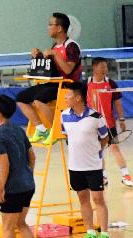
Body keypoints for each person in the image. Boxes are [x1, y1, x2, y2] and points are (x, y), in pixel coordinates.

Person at [0, 95, 46, 238]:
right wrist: (27, 175)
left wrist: (1, 188)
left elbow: (4, 164)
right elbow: (32, 157)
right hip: (28, 186)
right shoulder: (19, 130)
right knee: (21, 223)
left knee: (7, 227)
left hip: (12, 189)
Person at [16, 12, 82, 145]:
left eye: (50, 24)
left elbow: (68, 70)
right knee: (21, 98)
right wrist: (38, 56)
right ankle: (41, 129)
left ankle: (56, 130)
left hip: (68, 86)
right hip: (53, 83)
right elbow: (49, 69)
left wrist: (55, 54)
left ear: (59, 28)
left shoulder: (71, 46)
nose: (48, 27)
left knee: (39, 99)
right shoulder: (54, 47)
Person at [61, 81, 111, 238]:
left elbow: (105, 138)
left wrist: (97, 151)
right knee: (83, 200)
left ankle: (104, 235)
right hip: (75, 166)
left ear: (78, 97)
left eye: (68, 95)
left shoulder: (96, 117)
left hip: (93, 166)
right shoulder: (64, 115)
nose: (66, 98)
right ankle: (90, 232)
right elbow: (67, 137)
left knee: (98, 199)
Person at [87, 57, 133, 188]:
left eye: (106, 67)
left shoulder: (111, 83)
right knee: (98, 151)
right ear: (94, 67)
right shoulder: (86, 83)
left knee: (114, 148)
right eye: (102, 66)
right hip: (92, 125)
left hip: (109, 123)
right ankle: (103, 177)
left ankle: (125, 175)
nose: (105, 69)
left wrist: (122, 118)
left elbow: (117, 103)